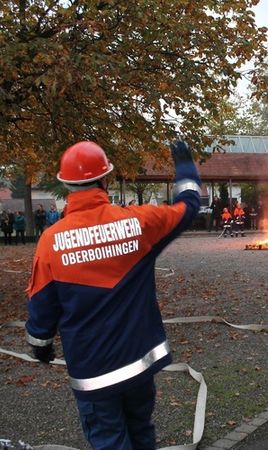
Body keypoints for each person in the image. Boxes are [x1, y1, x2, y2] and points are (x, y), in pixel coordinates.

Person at [25, 140, 201, 450]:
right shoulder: (139, 223)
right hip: (140, 366)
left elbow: (41, 309)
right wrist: (185, 166)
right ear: (106, 179)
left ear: (66, 184)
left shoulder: (51, 243)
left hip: (94, 376)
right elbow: (188, 206)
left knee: (110, 441)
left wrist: (40, 345)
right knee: (141, 431)